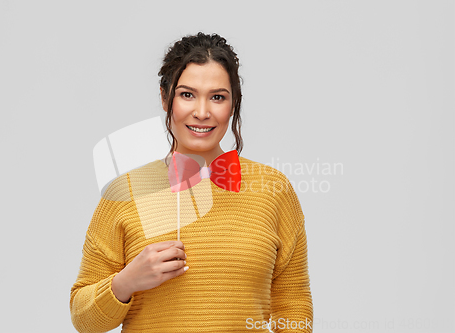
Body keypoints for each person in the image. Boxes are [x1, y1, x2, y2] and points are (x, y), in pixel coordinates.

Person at [70, 32, 313, 332]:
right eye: (187, 94)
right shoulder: (125, 192)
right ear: (164, 97)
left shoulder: (273, 190)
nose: (202, 112)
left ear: (233, 103)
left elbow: (294, 308)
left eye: (217, 97)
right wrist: (126, 282)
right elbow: (83, 319)